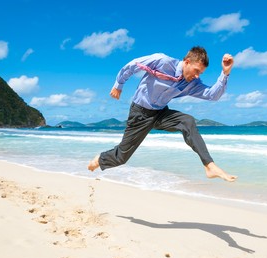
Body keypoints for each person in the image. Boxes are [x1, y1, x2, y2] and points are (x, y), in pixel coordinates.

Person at [88, 46, 237, 182]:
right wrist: (119, 85)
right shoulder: (162, 61)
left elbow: (213, 95)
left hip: (160, 113)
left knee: (188, 121)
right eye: (196, 70)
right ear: (186, 62)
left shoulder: (191, 83)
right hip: (140, 113)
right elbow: (133, 65)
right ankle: (100, 160)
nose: (197, 76)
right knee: (121, 157)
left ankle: (209, 165)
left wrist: (225, 73)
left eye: (201, 73)